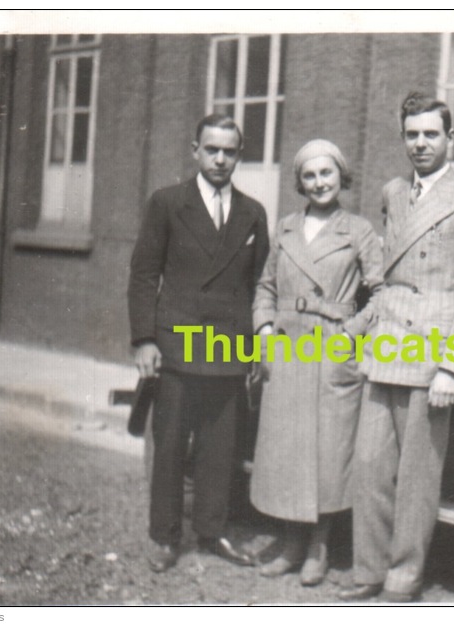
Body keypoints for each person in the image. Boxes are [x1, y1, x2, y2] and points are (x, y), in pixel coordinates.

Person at [337, 92, 454, 602]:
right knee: (368, 468)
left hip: (430, 355)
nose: (421, 143)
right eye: (412, 134)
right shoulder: (392, 193)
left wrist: (453, 368)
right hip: (386, 346)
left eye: (431, 134)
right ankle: (368, 570)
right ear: (402, 137)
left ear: (451, 139)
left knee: (416, 480)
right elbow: (388, 279)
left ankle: (402, 580)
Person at [127, 113, 270, 573]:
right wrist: (145, 340)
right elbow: (145, 274)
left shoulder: (253, 212)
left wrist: (252, 349)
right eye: (212, 149)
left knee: (220, 448)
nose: (221, 159)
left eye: (230, 151)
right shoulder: (167, 203)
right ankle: (166, 537)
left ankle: (212, 531)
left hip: (228, 349)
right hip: (176, 346)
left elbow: (259, 285)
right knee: (170, 445)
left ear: (239, 155)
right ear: (196, 151)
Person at [250, 139, 383, 587]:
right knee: (287, 451)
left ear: (341, 177)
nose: (319, 182)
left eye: (327, 173)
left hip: (331, 351)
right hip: (287, 350)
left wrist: (351, 332)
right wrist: (265, 328)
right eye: (309, 175)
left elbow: (383, 294)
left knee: (328, 453)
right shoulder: (286, 228)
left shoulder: (358, 230)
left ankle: (319, 549)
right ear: (300, 182)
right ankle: (290, 545)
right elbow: (266, 286)